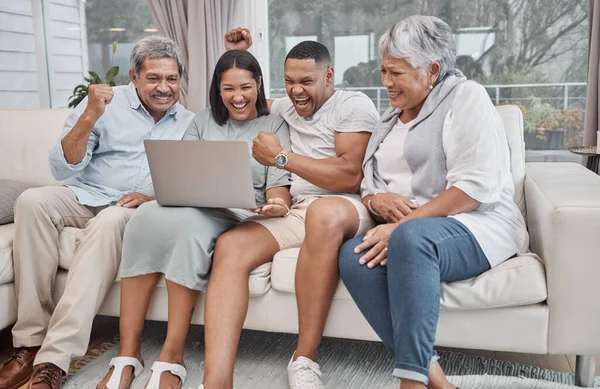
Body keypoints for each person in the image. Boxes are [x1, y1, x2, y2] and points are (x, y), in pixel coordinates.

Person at [337, 15, 529, 389]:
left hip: (477, 224)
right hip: (415, 231)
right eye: (383, 71)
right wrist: (378, 201)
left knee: (412, 239)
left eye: (396, 73)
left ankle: (410, 383)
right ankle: (436, 380)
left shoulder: (466, 96)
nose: (386, 82)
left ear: (432, 70)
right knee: (353, 255)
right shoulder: (390, 118)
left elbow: (473, 189)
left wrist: (402, 226)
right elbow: (368, 182)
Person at [0, 36, 193, 389]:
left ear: (180, 78)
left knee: (109, 220)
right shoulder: (103, 105)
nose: (164, 88)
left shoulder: (190, 124)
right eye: (154, 78)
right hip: (86, 193)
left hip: (133, 210)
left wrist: (150, 199)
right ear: (134, 77)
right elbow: (63, 168)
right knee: (31, 201)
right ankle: (28, 343)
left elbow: (191, 184)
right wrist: (90, 114)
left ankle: (53, 359)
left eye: (171, 78)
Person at [95, 49, 292, 389]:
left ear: (259, 84)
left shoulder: (274, 124)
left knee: (188, 228)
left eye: (245, 87)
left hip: (238, 210)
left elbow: (278, 188)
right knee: (143, 218)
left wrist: (276, 205)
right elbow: (182, 173)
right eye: (228, 88)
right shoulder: (202, 121)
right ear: (218, 88)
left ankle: (172, 354)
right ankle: (128, 353)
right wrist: (150, 197)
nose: (238, 97)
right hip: (190, 202)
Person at [199, 29, 380, 389]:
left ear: (329, 76)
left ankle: (304, 359)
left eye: (307, 81)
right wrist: (238, 56)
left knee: (323, 213)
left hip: (346, 206)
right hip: (297, 208)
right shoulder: (283, 108)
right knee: (231, 246)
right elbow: (244, 99)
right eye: (290, 81)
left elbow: (349, 174)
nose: (297, 91)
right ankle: (217, 379)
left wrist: (282, 157)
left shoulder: (352, 106)